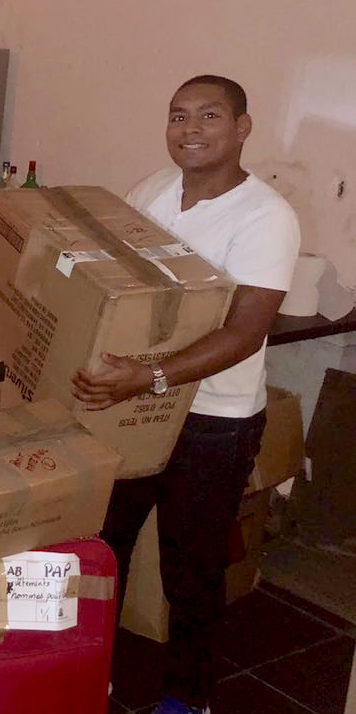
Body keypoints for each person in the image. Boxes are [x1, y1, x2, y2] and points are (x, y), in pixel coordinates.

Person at [71, 76, 300, 714]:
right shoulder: (150, 191)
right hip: (136, 408)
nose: (190, 129)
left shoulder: (266, 217)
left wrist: (148, 376)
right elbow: (116, 285)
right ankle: (89, 674)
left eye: (208, 115)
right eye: (178, 116)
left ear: (242, 128)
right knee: (102, 546)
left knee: (191, 569)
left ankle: (187, 697)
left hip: (212, 422)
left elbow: (245, 333)